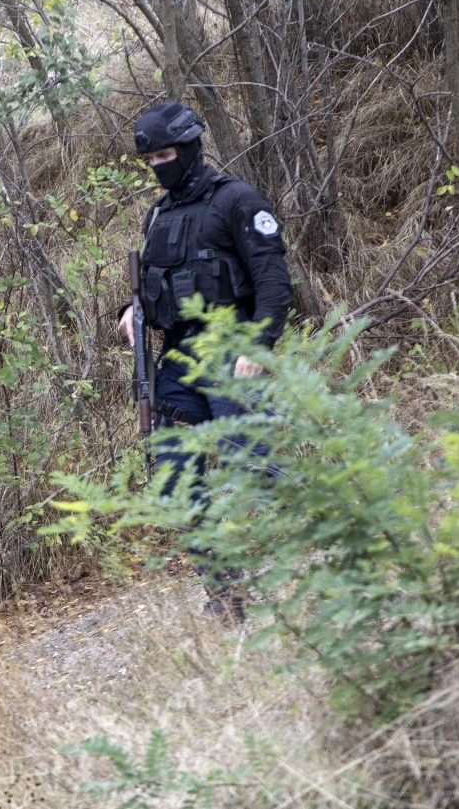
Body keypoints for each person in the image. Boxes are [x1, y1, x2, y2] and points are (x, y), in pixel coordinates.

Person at [117, 101, 294, 621]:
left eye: (167, 155)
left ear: (193, 147)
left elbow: (273, 282)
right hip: (179, 362)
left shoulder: (237, 201)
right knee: (173, 480)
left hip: (232, 351)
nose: (160, 166)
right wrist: (133, 308)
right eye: (151, 161)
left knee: (254, 464)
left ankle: (341, 537)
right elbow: (159, 282)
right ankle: (227, 594)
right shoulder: (158, 215)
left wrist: (258, 345)